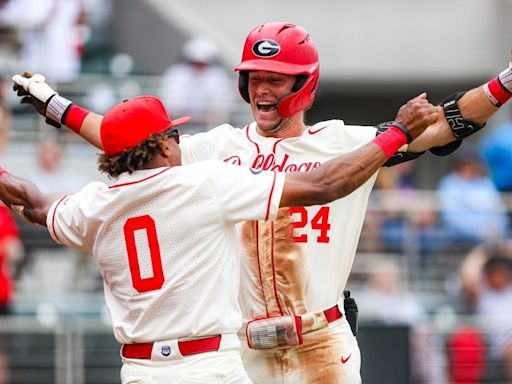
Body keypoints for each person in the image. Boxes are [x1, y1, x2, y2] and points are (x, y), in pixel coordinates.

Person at [11, 21, 512, 383]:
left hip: (320, 339)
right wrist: (57, 106)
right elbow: (129, 140)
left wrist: (503, 84)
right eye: (254, 76)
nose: (262, 88)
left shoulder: (342, 144)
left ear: (304, 84)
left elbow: (447, 121)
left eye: (275, 77)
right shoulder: (216, 150)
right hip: (240, 350)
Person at [0, 92, 437, 383]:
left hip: (139, 370)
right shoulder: (204, 184)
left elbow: (34, 205)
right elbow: (325, 186)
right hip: (210, 365)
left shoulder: (91, 206)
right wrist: (397, 133)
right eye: (173, 133)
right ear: (164, 144)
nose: (179, 140)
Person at [158, 35, 237, 132]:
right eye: (195, 63)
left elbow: (225, 105)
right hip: (180, 127)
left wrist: (204, 115)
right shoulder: (177, 74)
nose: (198, 67)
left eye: (203, 64)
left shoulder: (218, 76)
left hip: (210, 128)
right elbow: (170, 104)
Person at [437, 142, 509, 247]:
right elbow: (450, 218)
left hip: (492, 237)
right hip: (461, 240)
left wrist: (495, 228)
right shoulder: (449, 183)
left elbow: (499, 210)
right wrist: (477, 231)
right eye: (464, 164)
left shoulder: (485, 183)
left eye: (471, 163)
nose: (468, 167)